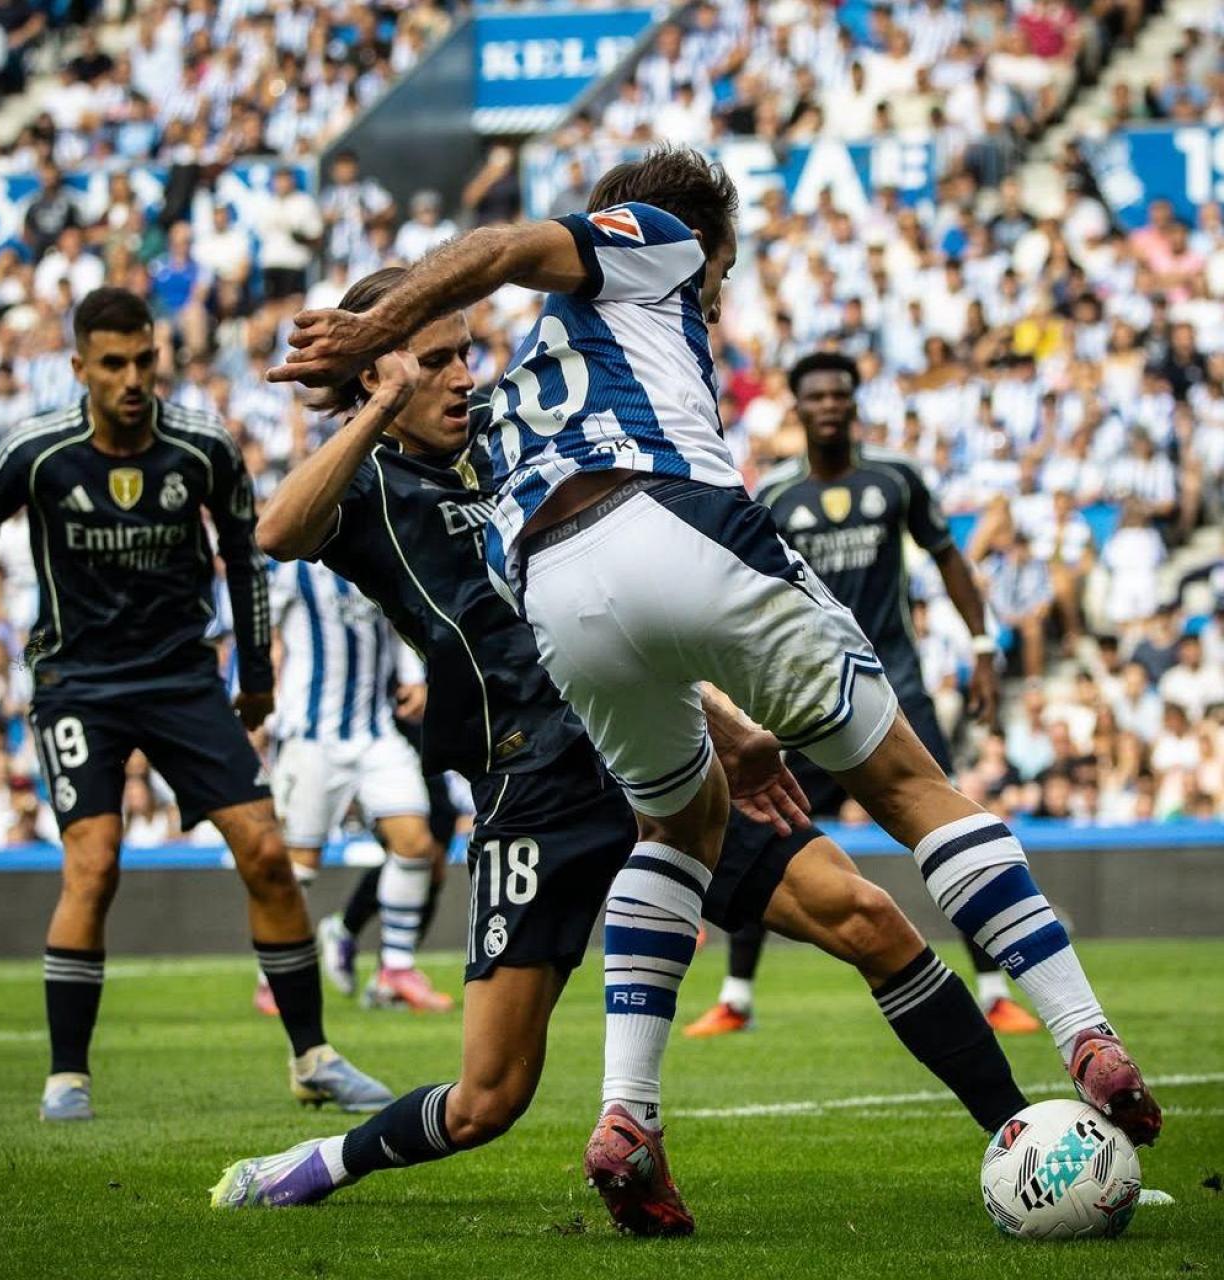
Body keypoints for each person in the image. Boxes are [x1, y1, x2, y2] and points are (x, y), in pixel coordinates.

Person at [263, 149, 1161, 1230]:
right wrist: (375, 381)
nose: (459, 375)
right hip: (531, 782)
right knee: (489, 1095)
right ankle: (316, 1162)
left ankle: (1019, 1137)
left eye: (463, 354)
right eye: (434, 361)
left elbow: (610, 584)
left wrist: (730, 721)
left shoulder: (507, 422)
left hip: (623, 694)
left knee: (860, 914)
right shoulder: (372, 475)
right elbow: (282, 529)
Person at [0, 287, 386, 1122]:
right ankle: (67, 1077)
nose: (133, 378)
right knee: (96, 861)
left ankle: (314, 1057)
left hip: (183, 681)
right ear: (80, 368)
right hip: (78, 684)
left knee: (264, 851)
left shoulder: (202, 446)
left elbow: (247, 557)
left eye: (144, 359)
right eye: (113, 364)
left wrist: (255, 673)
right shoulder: (36, 452)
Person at [684, 351, 1041, 1040]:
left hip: (895, 685)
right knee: (769, 827)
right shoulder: (777, 496)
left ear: (854, 403)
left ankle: (995, 989)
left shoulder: (896, 478)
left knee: (945, 824)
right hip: (802, 690)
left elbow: (946, 556)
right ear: (799, 408)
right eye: (815, 396)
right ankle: (736, 997)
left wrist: (981, 648)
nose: (828, 406)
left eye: (839, 395)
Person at [266, 557, 452, 1012]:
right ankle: (272, 975)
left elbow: (396, 621)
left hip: (374, 733)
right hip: (311, 736)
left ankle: (395, 970)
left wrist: (413, 678)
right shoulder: (290, 568)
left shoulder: (374, 558)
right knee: (300, 865)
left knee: (415, 844)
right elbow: (261, 633)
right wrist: (259, 696)